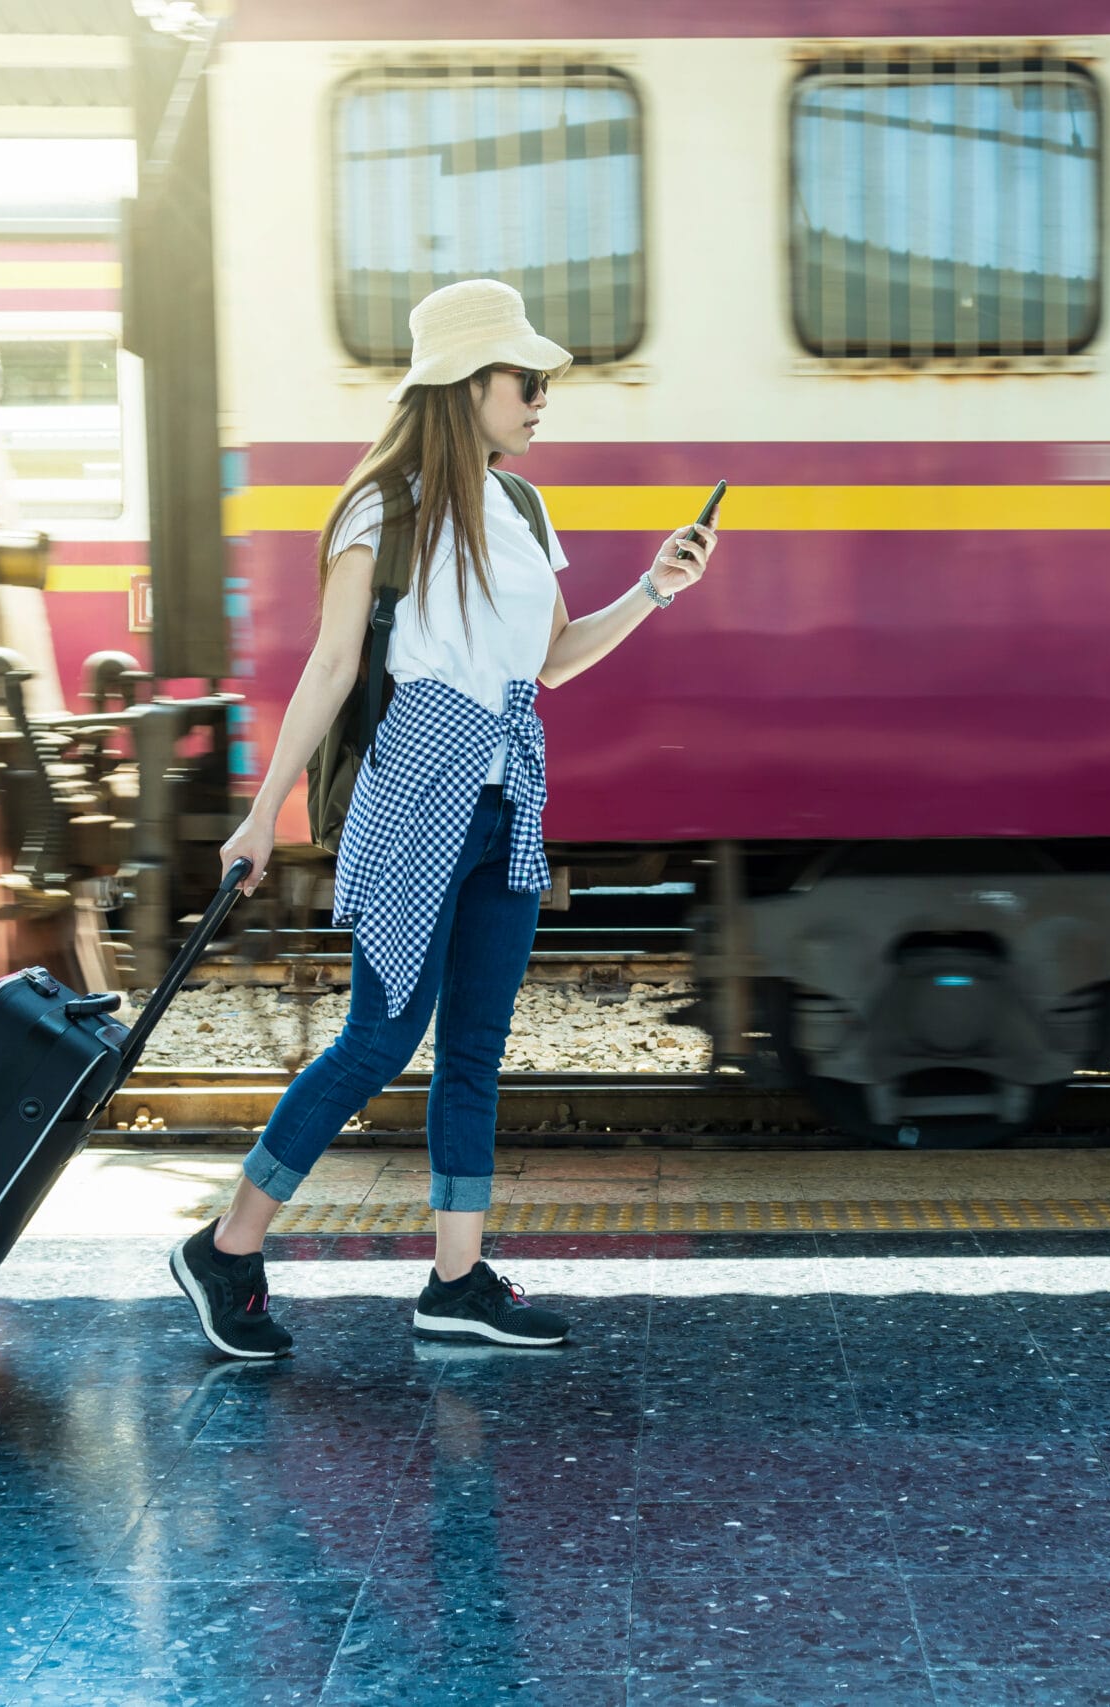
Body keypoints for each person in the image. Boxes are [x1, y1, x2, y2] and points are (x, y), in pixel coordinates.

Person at [170, 278, 715, 1357]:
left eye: (544, 380)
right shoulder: (383, 508)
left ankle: (455, 1284)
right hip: (419, 781)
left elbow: (551, 660)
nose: (542, 396)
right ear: (467, 385)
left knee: (475, 1046)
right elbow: (330, 666)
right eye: (527, 379)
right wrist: (259, 812)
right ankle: (225, 1251)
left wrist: (654, 588)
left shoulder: (520, 509)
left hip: (510, 781)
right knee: (379, 1038)